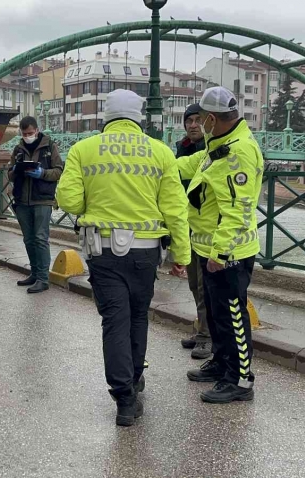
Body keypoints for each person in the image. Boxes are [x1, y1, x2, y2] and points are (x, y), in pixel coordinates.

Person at [57, 89, 191, 426]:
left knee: (114, 319)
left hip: (102, 249)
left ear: (106, 116)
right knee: (138, 316)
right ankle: (135, 376)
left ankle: (124, 399)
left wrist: (94, 202)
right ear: (138, 117)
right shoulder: (160, 153)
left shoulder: (83, 150)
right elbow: (175, 209)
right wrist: (182, 255)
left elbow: (69, 201)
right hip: (146, 251)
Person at [175, 87, 264, 404]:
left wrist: (221, 254)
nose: (199, 125)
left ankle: (240, 380)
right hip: (208, 246)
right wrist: (159, 164)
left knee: (232, 317)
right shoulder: (219, 145)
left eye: (202, 119)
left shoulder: (237, 152)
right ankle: (220, 363)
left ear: (212, 119)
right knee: (214, 315)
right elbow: (192, 164)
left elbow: (239, 210)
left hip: (228, 253)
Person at [7, 117, 64, 293]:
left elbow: (59, 171)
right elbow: (9, 173)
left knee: (40, 238)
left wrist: (42, 173)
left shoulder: (49, 146)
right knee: (29, 239)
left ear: (37, 131)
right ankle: (34, 273)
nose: (27, 136)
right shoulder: (18, 149)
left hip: (42, 199)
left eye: (30, 133)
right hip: (23, 200)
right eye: (24, 134)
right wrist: (15, 170)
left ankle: (43, 278)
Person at [175, 103, 212, 361]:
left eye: (198, 120)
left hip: (208, 229)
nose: (193, 125)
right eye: (189, 120)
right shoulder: (182, 149)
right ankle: (202, 328)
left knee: (204, 285)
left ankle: (207, 337)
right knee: (193, 283)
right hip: (188, 224)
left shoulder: (211, 150)